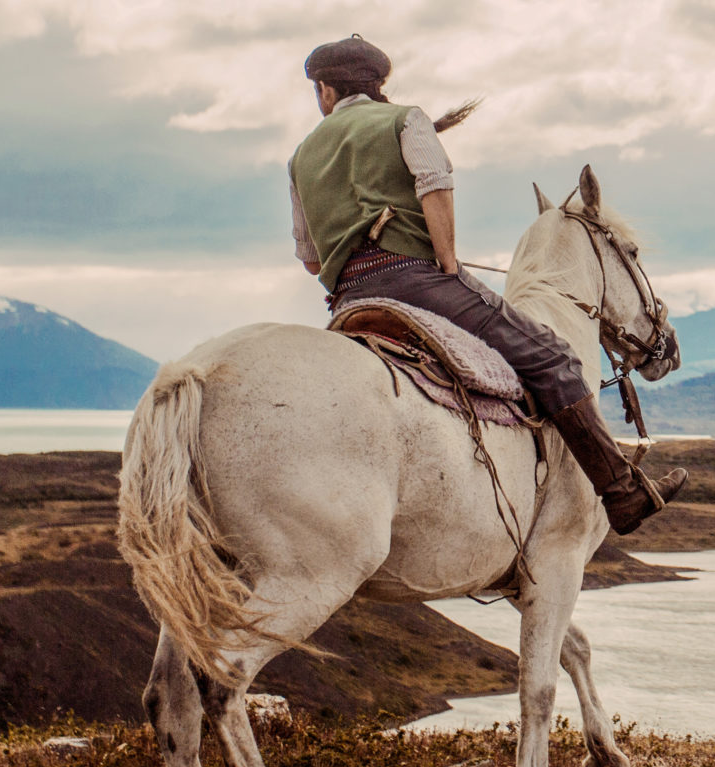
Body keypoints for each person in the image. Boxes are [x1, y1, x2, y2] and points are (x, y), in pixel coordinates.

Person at [288, 35, 686, 534]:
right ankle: (623, 494)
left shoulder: (301, 156)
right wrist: (448, 262)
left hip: (348, 297)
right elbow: (435, 183)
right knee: (554, 358)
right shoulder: (405, 119)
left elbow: (309, 259)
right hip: (418, 282)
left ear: (325, 91)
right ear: (376, 85)